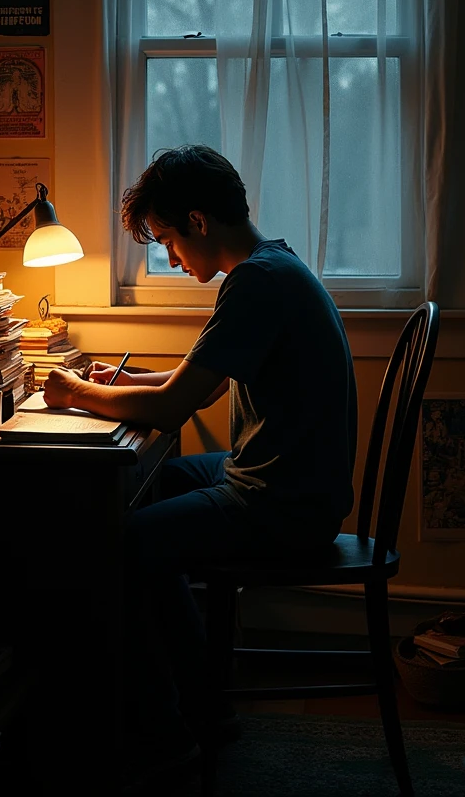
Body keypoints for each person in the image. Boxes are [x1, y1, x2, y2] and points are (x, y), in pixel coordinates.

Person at [43, 144, 357, 794]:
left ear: (198, 221)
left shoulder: (257, 282)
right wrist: (119, 380)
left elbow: (176, 405)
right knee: (154, 485)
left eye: (166, 240)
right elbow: (202, 384)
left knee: (124, 543)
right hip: (284, 478)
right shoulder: (274, 264)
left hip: (282, 503)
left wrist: (77, 395)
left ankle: (167, 733)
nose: (169, 256)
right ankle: (201, 704)